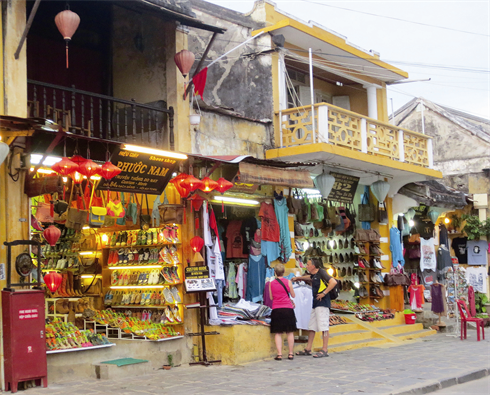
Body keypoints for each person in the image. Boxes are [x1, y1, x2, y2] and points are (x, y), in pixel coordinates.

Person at [292, 258, 337, 358]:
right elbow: (310, 277)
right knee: (312, 327)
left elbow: (333, 282)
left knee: (324, 327)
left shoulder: (322, 273)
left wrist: (324, 293)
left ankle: (325, 349)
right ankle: (308, 348)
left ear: (313, 266)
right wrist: (298, 278)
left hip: (323, 303)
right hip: (315, 303)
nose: (306, 266)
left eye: (308, 264)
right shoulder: (315, 274)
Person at [269, 263, 297, 361]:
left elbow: (271, 297)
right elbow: (293, 295)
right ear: (284, 271)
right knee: (289, 332)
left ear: (275, 272)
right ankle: (290, 353)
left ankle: (279, 354)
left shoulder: (271, 284)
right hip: (288, 309)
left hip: (276, 309)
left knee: (278, 333)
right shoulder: (288, 282)